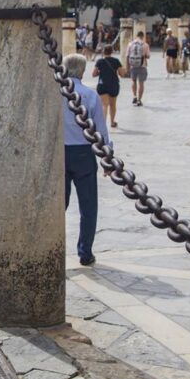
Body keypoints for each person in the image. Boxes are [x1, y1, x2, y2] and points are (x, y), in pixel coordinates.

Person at [63, 53, 112, 266]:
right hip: (84, 153)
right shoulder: (90, 96)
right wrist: (107, 158)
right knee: (88, 205)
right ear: (82, 71)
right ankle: (85, 251)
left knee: (58, 206)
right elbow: (100, 131)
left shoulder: (56, 93)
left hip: (60, 154)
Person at [91, 45, 122, 128]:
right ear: (111, 52)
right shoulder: (116, 61)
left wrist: (101, 73)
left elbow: (93, 74)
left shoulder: (99, 61)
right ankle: (112, 122)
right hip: (113, 85)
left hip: (102, 85)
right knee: (113, 104)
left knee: (104, 105)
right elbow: (122, 73)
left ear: (103, 52)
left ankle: (103, 124)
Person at [125, 30, 150, 106]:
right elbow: (148, 56)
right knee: (141, 83)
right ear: (143, 36)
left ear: (136, 36)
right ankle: (139, 100)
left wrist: (127, 67)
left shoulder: (130, 44)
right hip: (142, 66)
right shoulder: (145, 45)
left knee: (133, 81)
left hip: (132, 66)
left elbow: (127, 56)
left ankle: (134, 96)